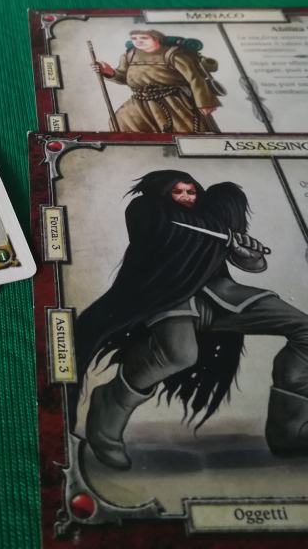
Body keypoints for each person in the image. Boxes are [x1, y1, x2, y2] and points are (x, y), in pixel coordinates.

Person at [74, 169, 308, 470]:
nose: (186, 196)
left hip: (219, 294)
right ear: (165, 194)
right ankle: (111, 402)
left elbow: (251, 264)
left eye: (191, 191)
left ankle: (289, 427)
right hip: (169, 293)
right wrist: (214, 231)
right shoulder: (147, 211)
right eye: (178, 191)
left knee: (304, 328)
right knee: (180, 354)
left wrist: (246, 253)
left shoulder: (209, 218)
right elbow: (164, 232)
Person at [92, 29, 221, 133]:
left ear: (156, 38)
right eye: (134, 38)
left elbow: (194, 78)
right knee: (120, 121)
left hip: (172, 101)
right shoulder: (129, 55)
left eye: (144, 38)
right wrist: (109, 72)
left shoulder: (173, 54)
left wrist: (203, 103)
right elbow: (123, 77)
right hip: (140, 102)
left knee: (183, 130)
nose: (138, 41)